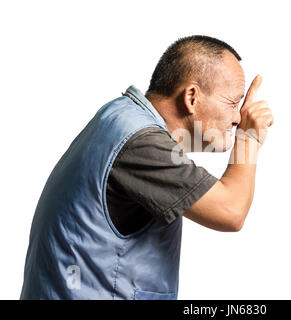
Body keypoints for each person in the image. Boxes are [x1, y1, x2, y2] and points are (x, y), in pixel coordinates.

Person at [20, 35, 273, 300]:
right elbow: (231, 212)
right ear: (191, 97)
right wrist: (249, 139)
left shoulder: (120, 116)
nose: (237, 118)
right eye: (233, 103)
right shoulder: (141, 143)